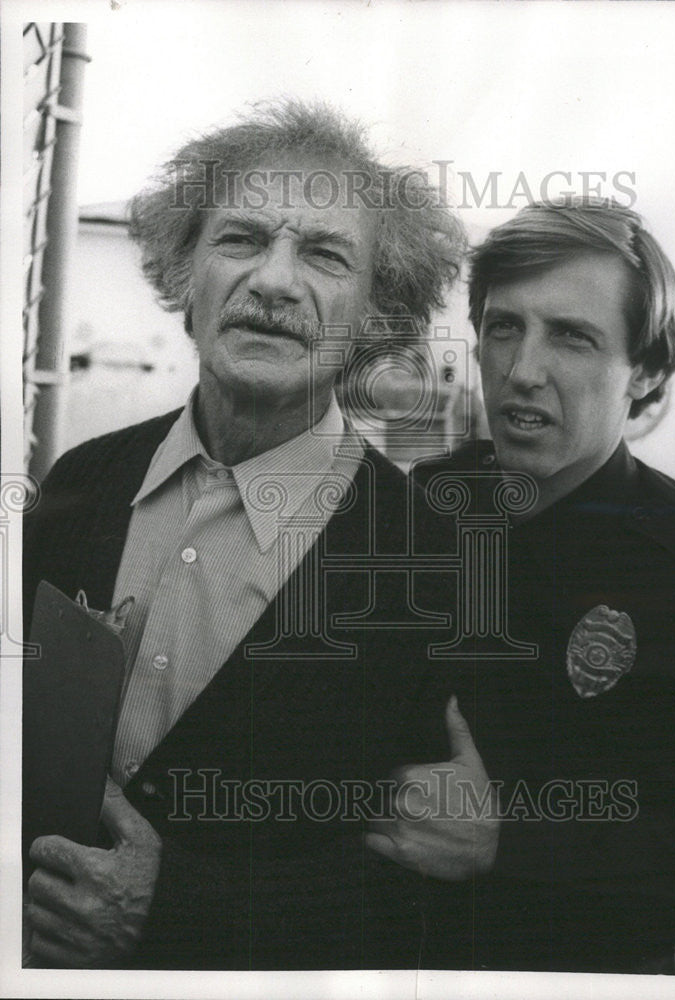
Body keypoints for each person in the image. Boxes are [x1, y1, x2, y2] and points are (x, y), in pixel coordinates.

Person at [22, 99, 488, 969]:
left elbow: (421, 885)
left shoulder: (429, 556)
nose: (274, 281)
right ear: (181, 274)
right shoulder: (81, 482)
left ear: (378, 316)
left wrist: (170, 910)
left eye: (323, 253)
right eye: (240, 239)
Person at [411, 200, 675, 974]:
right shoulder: (422, 508)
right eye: (505, 327)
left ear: (648, 374)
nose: (523, 370)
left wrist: (512, 842)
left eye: (572, 336)